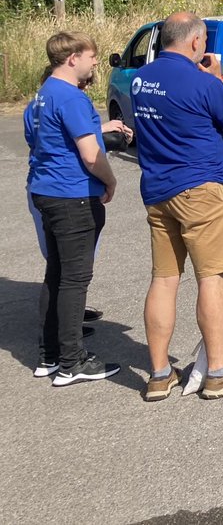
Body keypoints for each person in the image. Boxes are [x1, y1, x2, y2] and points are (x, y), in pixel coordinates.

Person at [133, 12, 223, 401]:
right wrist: (220, 80)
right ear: (195, 41)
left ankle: (160, 374)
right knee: (211, 278)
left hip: (158, 190)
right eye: (204, 41)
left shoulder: (141, 79)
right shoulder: (203, 82)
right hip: (200, 189)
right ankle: (220, 372)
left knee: (164, 279)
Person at [25, 33, 122, 385]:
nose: (95, 62)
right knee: (74, 280)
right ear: (72, 58)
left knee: (56, 273)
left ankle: (50, 355)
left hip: (45, 191)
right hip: (72, 195)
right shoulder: (71, 97)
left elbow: (37, 140)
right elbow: (91, 154)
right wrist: (110, 181)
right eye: (91, 56)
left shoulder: (41, 96)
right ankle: (72, 361)